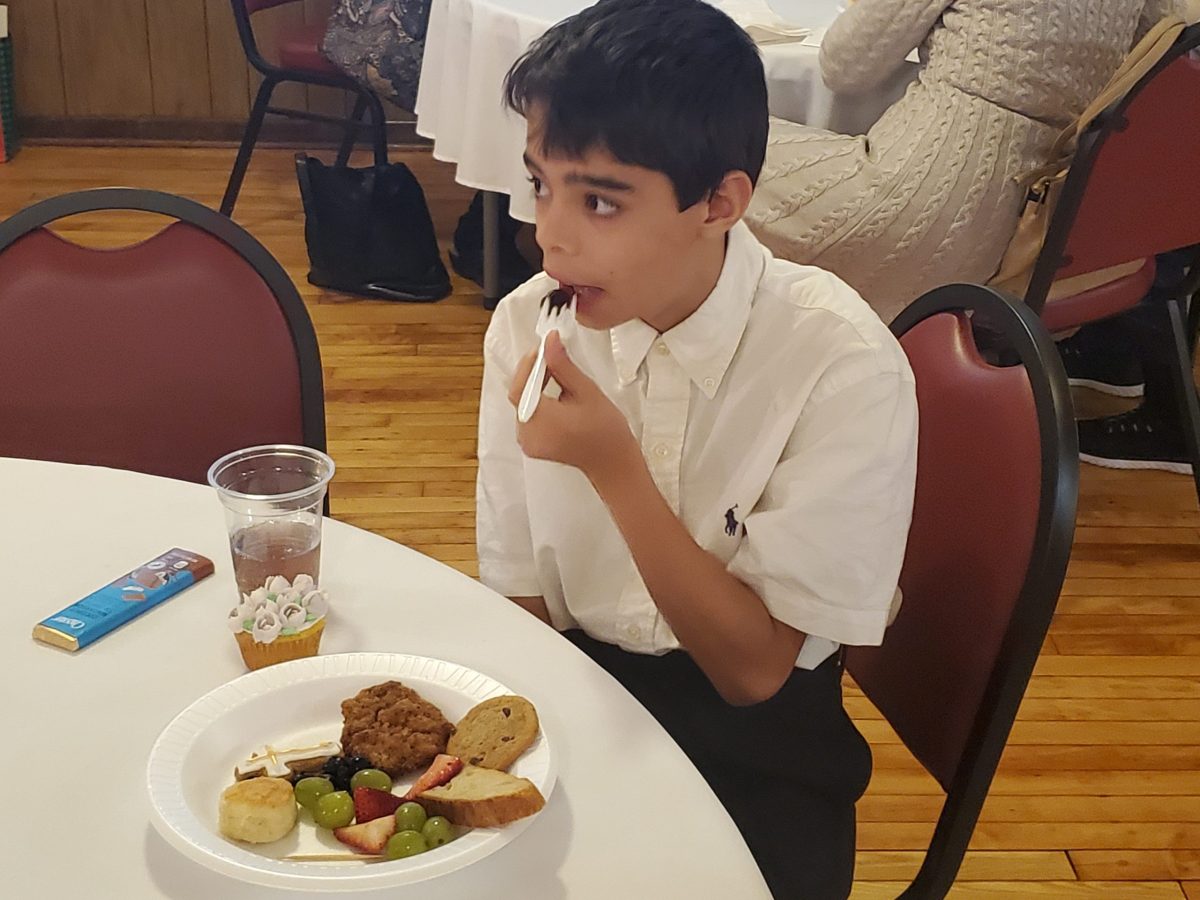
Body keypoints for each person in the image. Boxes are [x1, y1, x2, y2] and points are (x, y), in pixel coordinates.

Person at [474, 1, 917, 896]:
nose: (550, 233)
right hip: (576, 695)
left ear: (720, 202)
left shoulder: (840, 362)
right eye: (540, 185)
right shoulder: (526, 325)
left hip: (763, 748)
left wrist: (615, 470)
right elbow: (520, 593)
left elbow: (755, 675)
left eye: (600, 200)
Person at [743, 0, 1183, 323]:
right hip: (1037, 223)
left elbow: (843, 67)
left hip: (924, 207)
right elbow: (1168, 45)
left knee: (709, 147)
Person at [322, 0, 535, 302]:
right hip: (383, 34)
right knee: (515, 88)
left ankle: (495, 226)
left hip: (442, 23)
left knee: (533, 80)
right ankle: (484, 237)